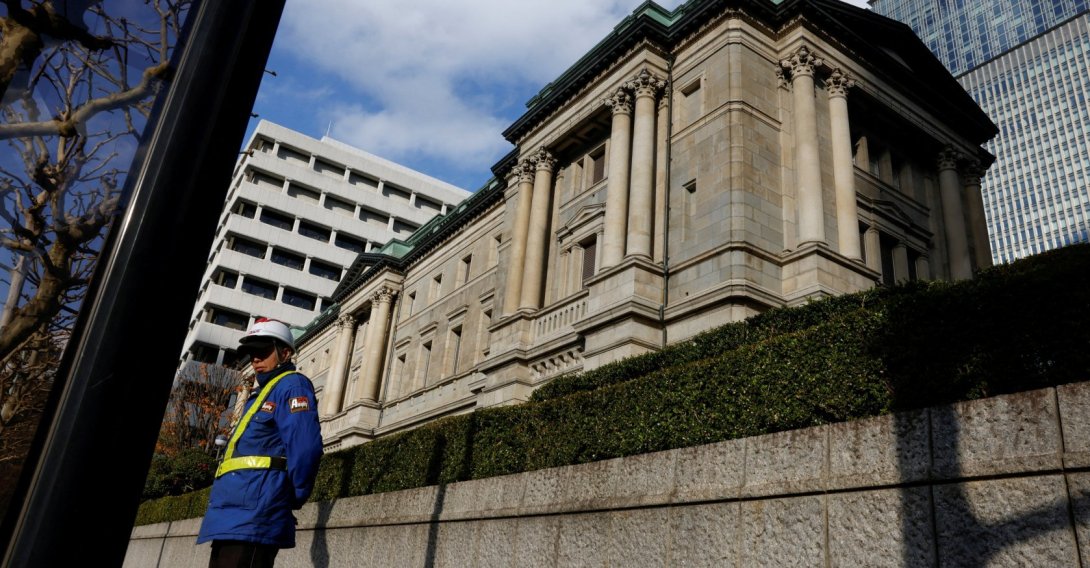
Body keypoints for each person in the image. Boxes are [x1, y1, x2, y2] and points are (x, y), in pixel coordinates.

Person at [197, 318, 323, 568]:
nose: (255, 359)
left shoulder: (292, 385)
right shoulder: (259, 395)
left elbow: (306, 448)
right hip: (230, 515)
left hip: (256, 515)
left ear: (285, 353)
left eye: (263, 351)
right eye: (252, 353)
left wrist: (292, 496)